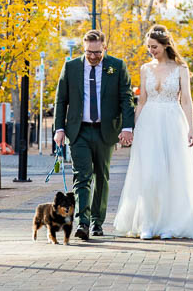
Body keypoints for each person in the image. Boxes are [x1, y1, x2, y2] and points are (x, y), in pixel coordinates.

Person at [113, 24, 193, 239]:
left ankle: (171, 223)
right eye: (148, 47)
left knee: (172, 172)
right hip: (149, 123)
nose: (151, 51)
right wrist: (133, 128)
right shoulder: (145, 69)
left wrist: (191, 129)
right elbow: (142, 100)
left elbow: (186, 100)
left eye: (154, 47)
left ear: (165, 45)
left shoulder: (181, 69)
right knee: (149, 172)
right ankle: (148, 222)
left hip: (173, 122)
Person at [53, 29, 135, 240]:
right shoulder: (71, 67)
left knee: (102, 176)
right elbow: (61, 100)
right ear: (84, 48)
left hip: (105, 131)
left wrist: (127, 127)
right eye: (89, 52)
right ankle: (83, 222)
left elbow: (126, 99)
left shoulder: (116, 67)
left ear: (104, 48)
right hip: (78, 131)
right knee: (82, 177)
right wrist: (59, 129)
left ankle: (98, 221)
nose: (93, 56)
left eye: (97, 53)